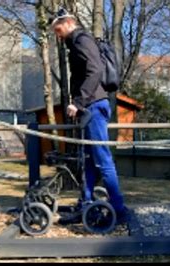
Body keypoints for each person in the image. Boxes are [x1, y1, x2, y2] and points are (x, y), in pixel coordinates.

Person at [50, 8, 128, 224]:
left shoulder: (81, 39)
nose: (57, 34)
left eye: (57, 29)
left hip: (92, 105)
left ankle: (119, 211)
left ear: (67, 22)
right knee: (88, 160)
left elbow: (94, 70)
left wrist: (78, 102)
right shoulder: (76, 42)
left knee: (103, 160)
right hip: (90, 107)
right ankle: (86, 206)